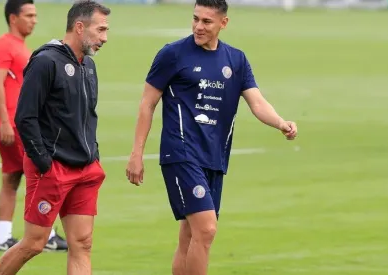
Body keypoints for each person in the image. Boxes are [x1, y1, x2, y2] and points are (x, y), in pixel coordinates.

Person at [125, 0, 298, 274]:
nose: (198, 26)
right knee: (206, 229)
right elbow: (147, 103)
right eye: (195, 19)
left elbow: (256, 101)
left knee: (190, 236)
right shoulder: (172, 54)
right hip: (181, 153)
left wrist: (280, 122)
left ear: (223, 23)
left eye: (206, 21)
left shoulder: (236, 60)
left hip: (214, 157)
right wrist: (137, 153)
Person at [0, 1, 110, 274]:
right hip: (52, 168)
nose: (105, 37)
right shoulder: (46, 61)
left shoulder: (88, 66)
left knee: (82, 243)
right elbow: (25, 117)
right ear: (79, 27)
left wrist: (93, 154)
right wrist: (43, 161)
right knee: (34, 243)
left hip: (85, 169)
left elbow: (88, 116)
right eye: (100, 29)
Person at [0, 0, 68, 252]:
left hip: (15, 123)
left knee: (11, 179)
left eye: (35, 15)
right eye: (29, 15)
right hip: (16, 124)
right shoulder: (3, 46)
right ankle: (49, 235)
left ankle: (3, 238)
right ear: (13, 18)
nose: (34, 20)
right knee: (44, 174)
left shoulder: (20, 47)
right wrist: (4, 120)